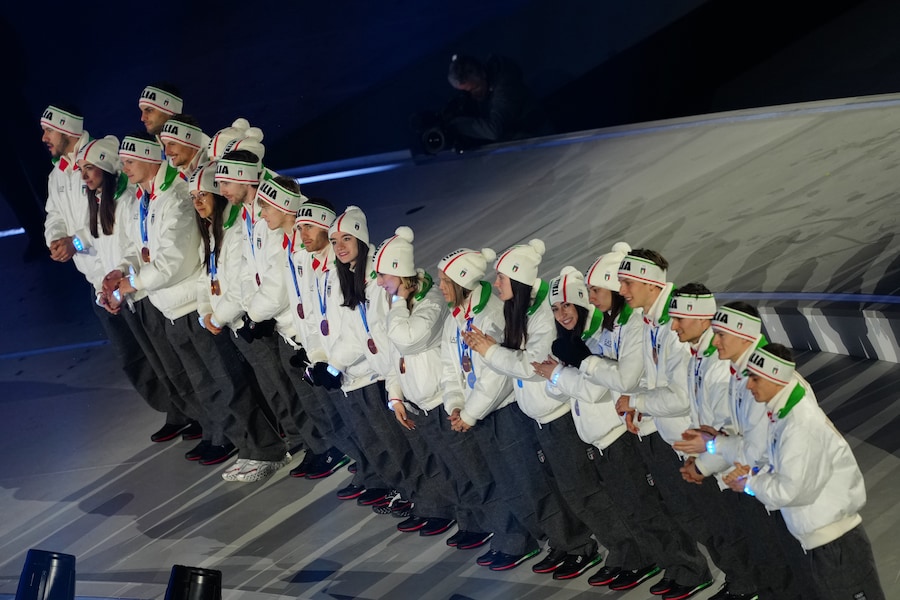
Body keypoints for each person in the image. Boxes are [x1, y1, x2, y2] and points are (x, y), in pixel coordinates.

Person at [464, 240, 605, 581]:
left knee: (582, 490)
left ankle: (585, 547)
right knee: (559, 488)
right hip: (538, 417)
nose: (497, 285)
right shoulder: (522, 310)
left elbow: (531, 365)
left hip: (558, 415)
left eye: (501, 279)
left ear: (518, 279)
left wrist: (490, 350)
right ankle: (568, 544)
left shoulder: (543, 314)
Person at [724, 343, 886, 600]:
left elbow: (790, 489)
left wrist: (750, 482)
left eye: (755, 378)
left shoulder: (799, 424)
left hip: (835, 545)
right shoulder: (782, 417)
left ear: (775, 376)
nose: (749, 386)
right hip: (820, 542)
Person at [613, 248, 715, 600]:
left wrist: (637, 401)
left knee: (714, 523)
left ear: (649, 283)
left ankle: (748, 583)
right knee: (695, 519)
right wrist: (639, 406)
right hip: (672, 436)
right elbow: (656, 382)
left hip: (693, 439)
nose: (621, 289)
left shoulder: (676, 326)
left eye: (627, 282)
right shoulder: (651, 320)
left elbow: (681, 396)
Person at [75, 135, 187, 440]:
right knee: (151, 360)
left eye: (90, 168)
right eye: (81, 169)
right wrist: (105, 287)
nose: (84, 175)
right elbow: (96, 249)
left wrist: (122, 281)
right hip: (124, 292)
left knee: (170, 360)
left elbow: (133, 249)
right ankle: (180, 410)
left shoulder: (128, 201)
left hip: (142, 292)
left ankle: (193, 415)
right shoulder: (97, 204)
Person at [437, 246, 540, 571]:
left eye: (445, 281)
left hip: (502, 413)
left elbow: (496, 376)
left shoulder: (491, 315)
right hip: (476, 413)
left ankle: (531, 539)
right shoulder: (456, 316)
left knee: (521, 479)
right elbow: (449, 365)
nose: (441, 288)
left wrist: (469, 413)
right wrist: (454, 403)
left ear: (462, 282)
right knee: (500, 479)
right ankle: (512, 539)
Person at [190, 162, 292, 481]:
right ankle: (258, 448)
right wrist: (206, 311)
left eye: (205, 193)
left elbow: (238, 281)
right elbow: (206, 279)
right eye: (194, 196)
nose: (199, 201)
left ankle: (278, 447)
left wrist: (221, 315)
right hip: (227, 320)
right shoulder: (211, 231)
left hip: (241, 318)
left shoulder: (235, 230)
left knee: (274, 387)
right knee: (249, 388)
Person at [666, 285, 760, 600]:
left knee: (751, 540)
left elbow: (727, 431)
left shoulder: (718, 365)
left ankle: (751, 586)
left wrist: (703, 463)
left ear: (702, 320)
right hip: (719, 467)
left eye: (679, 319)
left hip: (734, 472)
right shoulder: (702, 356)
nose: (673, 325)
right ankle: (745, 584)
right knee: (724, 532)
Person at [256, 175, 349, 479]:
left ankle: (342, 451)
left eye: (266, 207)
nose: (261, 213)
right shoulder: (289, 243)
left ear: (284, 207)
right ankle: (333, 449)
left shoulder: (304, 247)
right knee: (312, 404)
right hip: (298, 336)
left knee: (332, 404)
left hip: (313, 339)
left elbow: (313, 300)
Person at [371, 226, 458, 532]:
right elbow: (394, 353)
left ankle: (481, 523)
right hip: (417, 401)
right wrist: (395, 395)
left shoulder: (431, 302)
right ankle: (447, 512)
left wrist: (397, 303)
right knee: (436, 464)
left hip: (442, 400)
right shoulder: (397, 302)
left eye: (384, 275)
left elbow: (407, 339)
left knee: (462, 467)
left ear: (401, 274)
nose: (379, 283)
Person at [444, 53, 549, 149]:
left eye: (474, 88)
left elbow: (494, 130)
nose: (472, 95)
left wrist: (458, 125)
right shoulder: (483, 87)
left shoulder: (505, 86)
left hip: (539, 138)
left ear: (483, 74)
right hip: (518, 142)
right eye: (466, 92)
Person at [40, 104, 94, 270]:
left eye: (49, 130)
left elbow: (113, 216)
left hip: (120, 275)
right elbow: (55, 214)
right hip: (95, 278)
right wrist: (57, 239)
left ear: (67, 129)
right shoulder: (57, 174)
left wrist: (77, 242)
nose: (43, 138)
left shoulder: (100, 163)